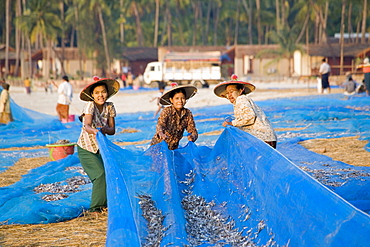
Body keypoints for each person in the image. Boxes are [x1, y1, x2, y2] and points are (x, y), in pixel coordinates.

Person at [77, 76, 120, 213]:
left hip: (101, 148)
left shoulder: (110, 106)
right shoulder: (90, 106)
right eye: (97, 93)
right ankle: (95, 208)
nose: (100, 95)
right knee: (100, 175)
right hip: (86, 148)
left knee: (108, 174)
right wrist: (96, 131)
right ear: (92, 95)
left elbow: (112, 130)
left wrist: (104, 130)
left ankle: (105, 205)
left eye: (103, 92)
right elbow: (87, 126)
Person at [213, 74, 277, 148]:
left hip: (262, 139)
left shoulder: (241, 99)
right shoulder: (240, 102)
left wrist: (232, 123)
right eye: (227, 93)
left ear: (241, 91)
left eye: (232, 91)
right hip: (267, 138)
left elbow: (249, 117)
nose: (229, 95)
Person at [150, 84, 198, 150]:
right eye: (177, 98)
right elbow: (160, 125)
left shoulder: (187, 113)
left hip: (174, 148)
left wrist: (192, 137)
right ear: (171, 100)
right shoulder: (167, 111)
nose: (180, 101)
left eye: (183, 98)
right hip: (158, 147)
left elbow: (193, 130)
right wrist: (161, 133)